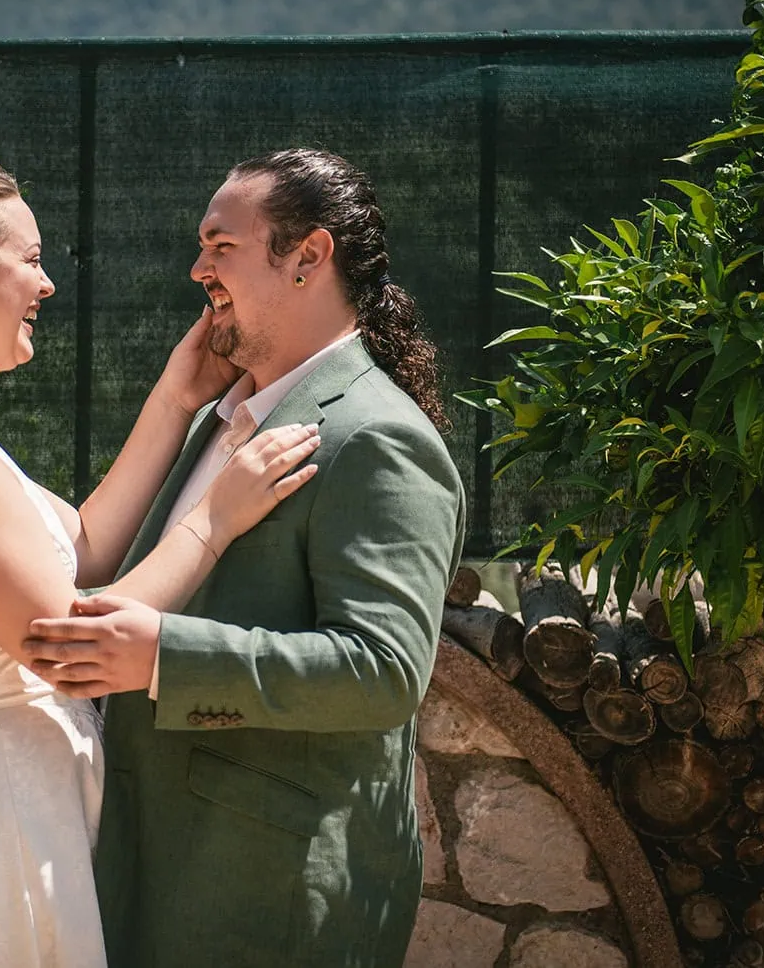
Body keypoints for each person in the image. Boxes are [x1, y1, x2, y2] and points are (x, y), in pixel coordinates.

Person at [0, 145, 321, 968]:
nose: (47, 284)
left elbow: (82, 548)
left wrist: (175, 394)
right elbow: (69, 644)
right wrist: (216, 517)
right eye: (32, 259)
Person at [24, 148, 467, 968]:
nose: (198, 268)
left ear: (308, 257)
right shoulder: (218, 420)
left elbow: (384, 672)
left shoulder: (380, 438)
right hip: (154, 867)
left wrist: (163, 657)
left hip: (266, 897)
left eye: (220, 245)